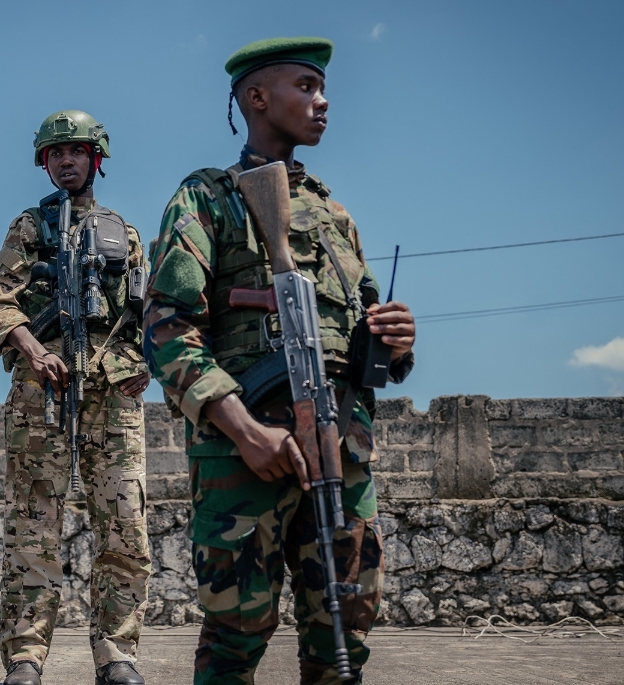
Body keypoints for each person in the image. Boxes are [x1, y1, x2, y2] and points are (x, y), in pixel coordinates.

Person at [142, 38, 418, 685]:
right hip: (245, 455)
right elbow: (166, 326)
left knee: (343, 633)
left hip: (340, 450)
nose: (322, 102)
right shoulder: (208, 198)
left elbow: (362, 335)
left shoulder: (331, 214)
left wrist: (395, 341)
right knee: (236, 636)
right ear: (256, 97)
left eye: (323, 88)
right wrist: (245, 430)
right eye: (305, 86)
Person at [0, 110, 153, 685]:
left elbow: (150, 316)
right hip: (41, 394)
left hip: (112, 396)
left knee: (125, 527)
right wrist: (31, 348)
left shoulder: (124, 234)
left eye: (75, 152)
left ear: (95, 158)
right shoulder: (28, 228)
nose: (65, 161)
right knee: (33, 528)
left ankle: (117, 653)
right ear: (44, 162)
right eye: (55, 154)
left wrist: (144, 364)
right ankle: (26, 655)